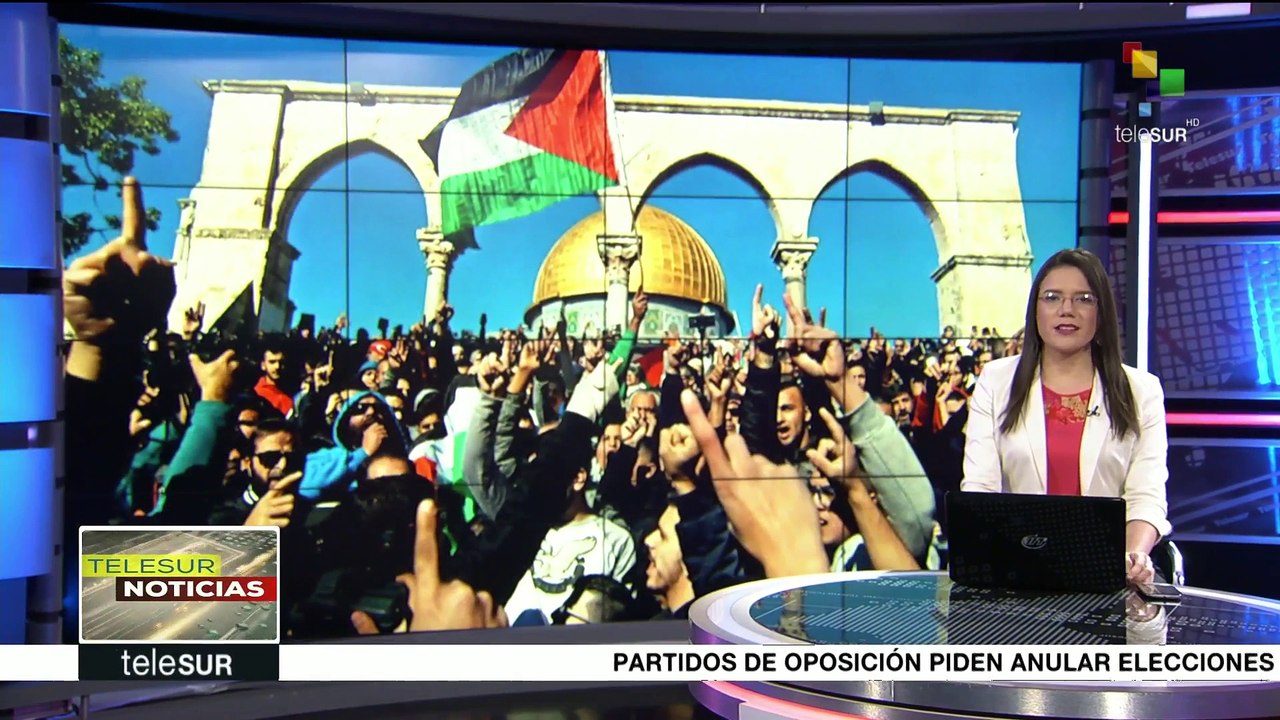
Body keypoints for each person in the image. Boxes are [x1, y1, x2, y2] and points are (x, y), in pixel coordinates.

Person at [960, 249, 1170, 586]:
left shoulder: (1141, 390)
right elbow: (980, 490)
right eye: (1052, 297)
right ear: (1036, 310)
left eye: (1084, 299)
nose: (1066, 310)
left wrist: (1132, 557)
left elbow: (1146, 497)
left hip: (1106, 572)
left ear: (1101, 312)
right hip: (1015, 570)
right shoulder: (996, 381)